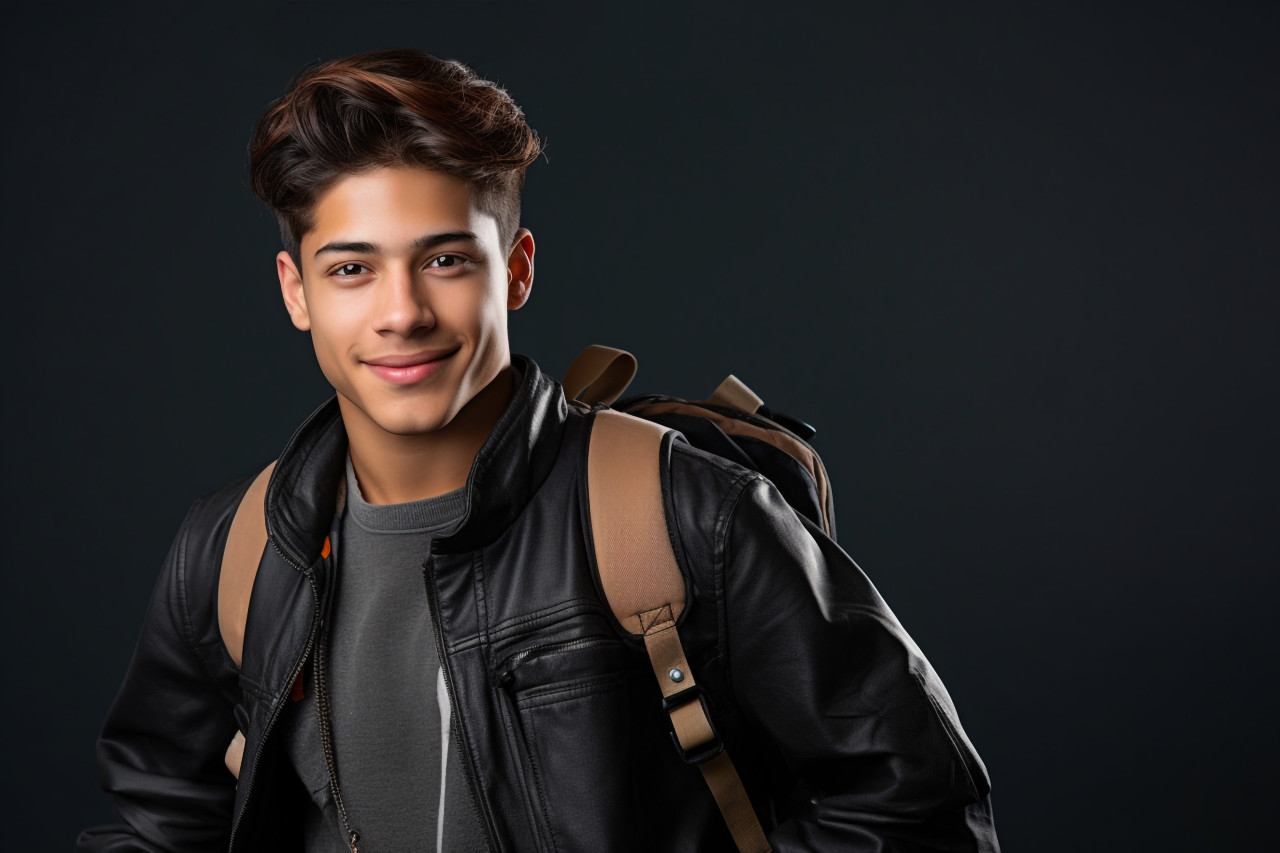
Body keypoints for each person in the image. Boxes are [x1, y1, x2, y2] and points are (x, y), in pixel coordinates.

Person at [77, 47, 1000, 852]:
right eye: (352, 268)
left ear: (514, 269)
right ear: (297, 291)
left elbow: (917, 808)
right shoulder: (232, 553)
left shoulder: (683, 517)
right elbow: (160, 823)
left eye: (445, 259)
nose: (401, 312)